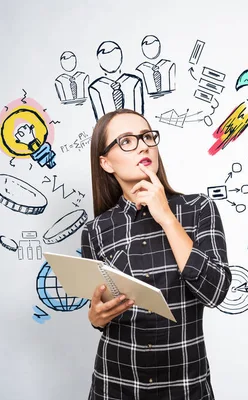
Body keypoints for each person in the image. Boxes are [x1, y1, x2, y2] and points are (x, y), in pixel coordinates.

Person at [80, 108, 232, 400]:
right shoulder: (96, 230)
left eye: (147, 136)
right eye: (126, 141)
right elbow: (102, 308)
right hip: (116, 386)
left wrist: (167, 218)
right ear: (106, 163)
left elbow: (215, 292)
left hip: (185, 387)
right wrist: (96, 318)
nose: (143, 145)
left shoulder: (199, 209)